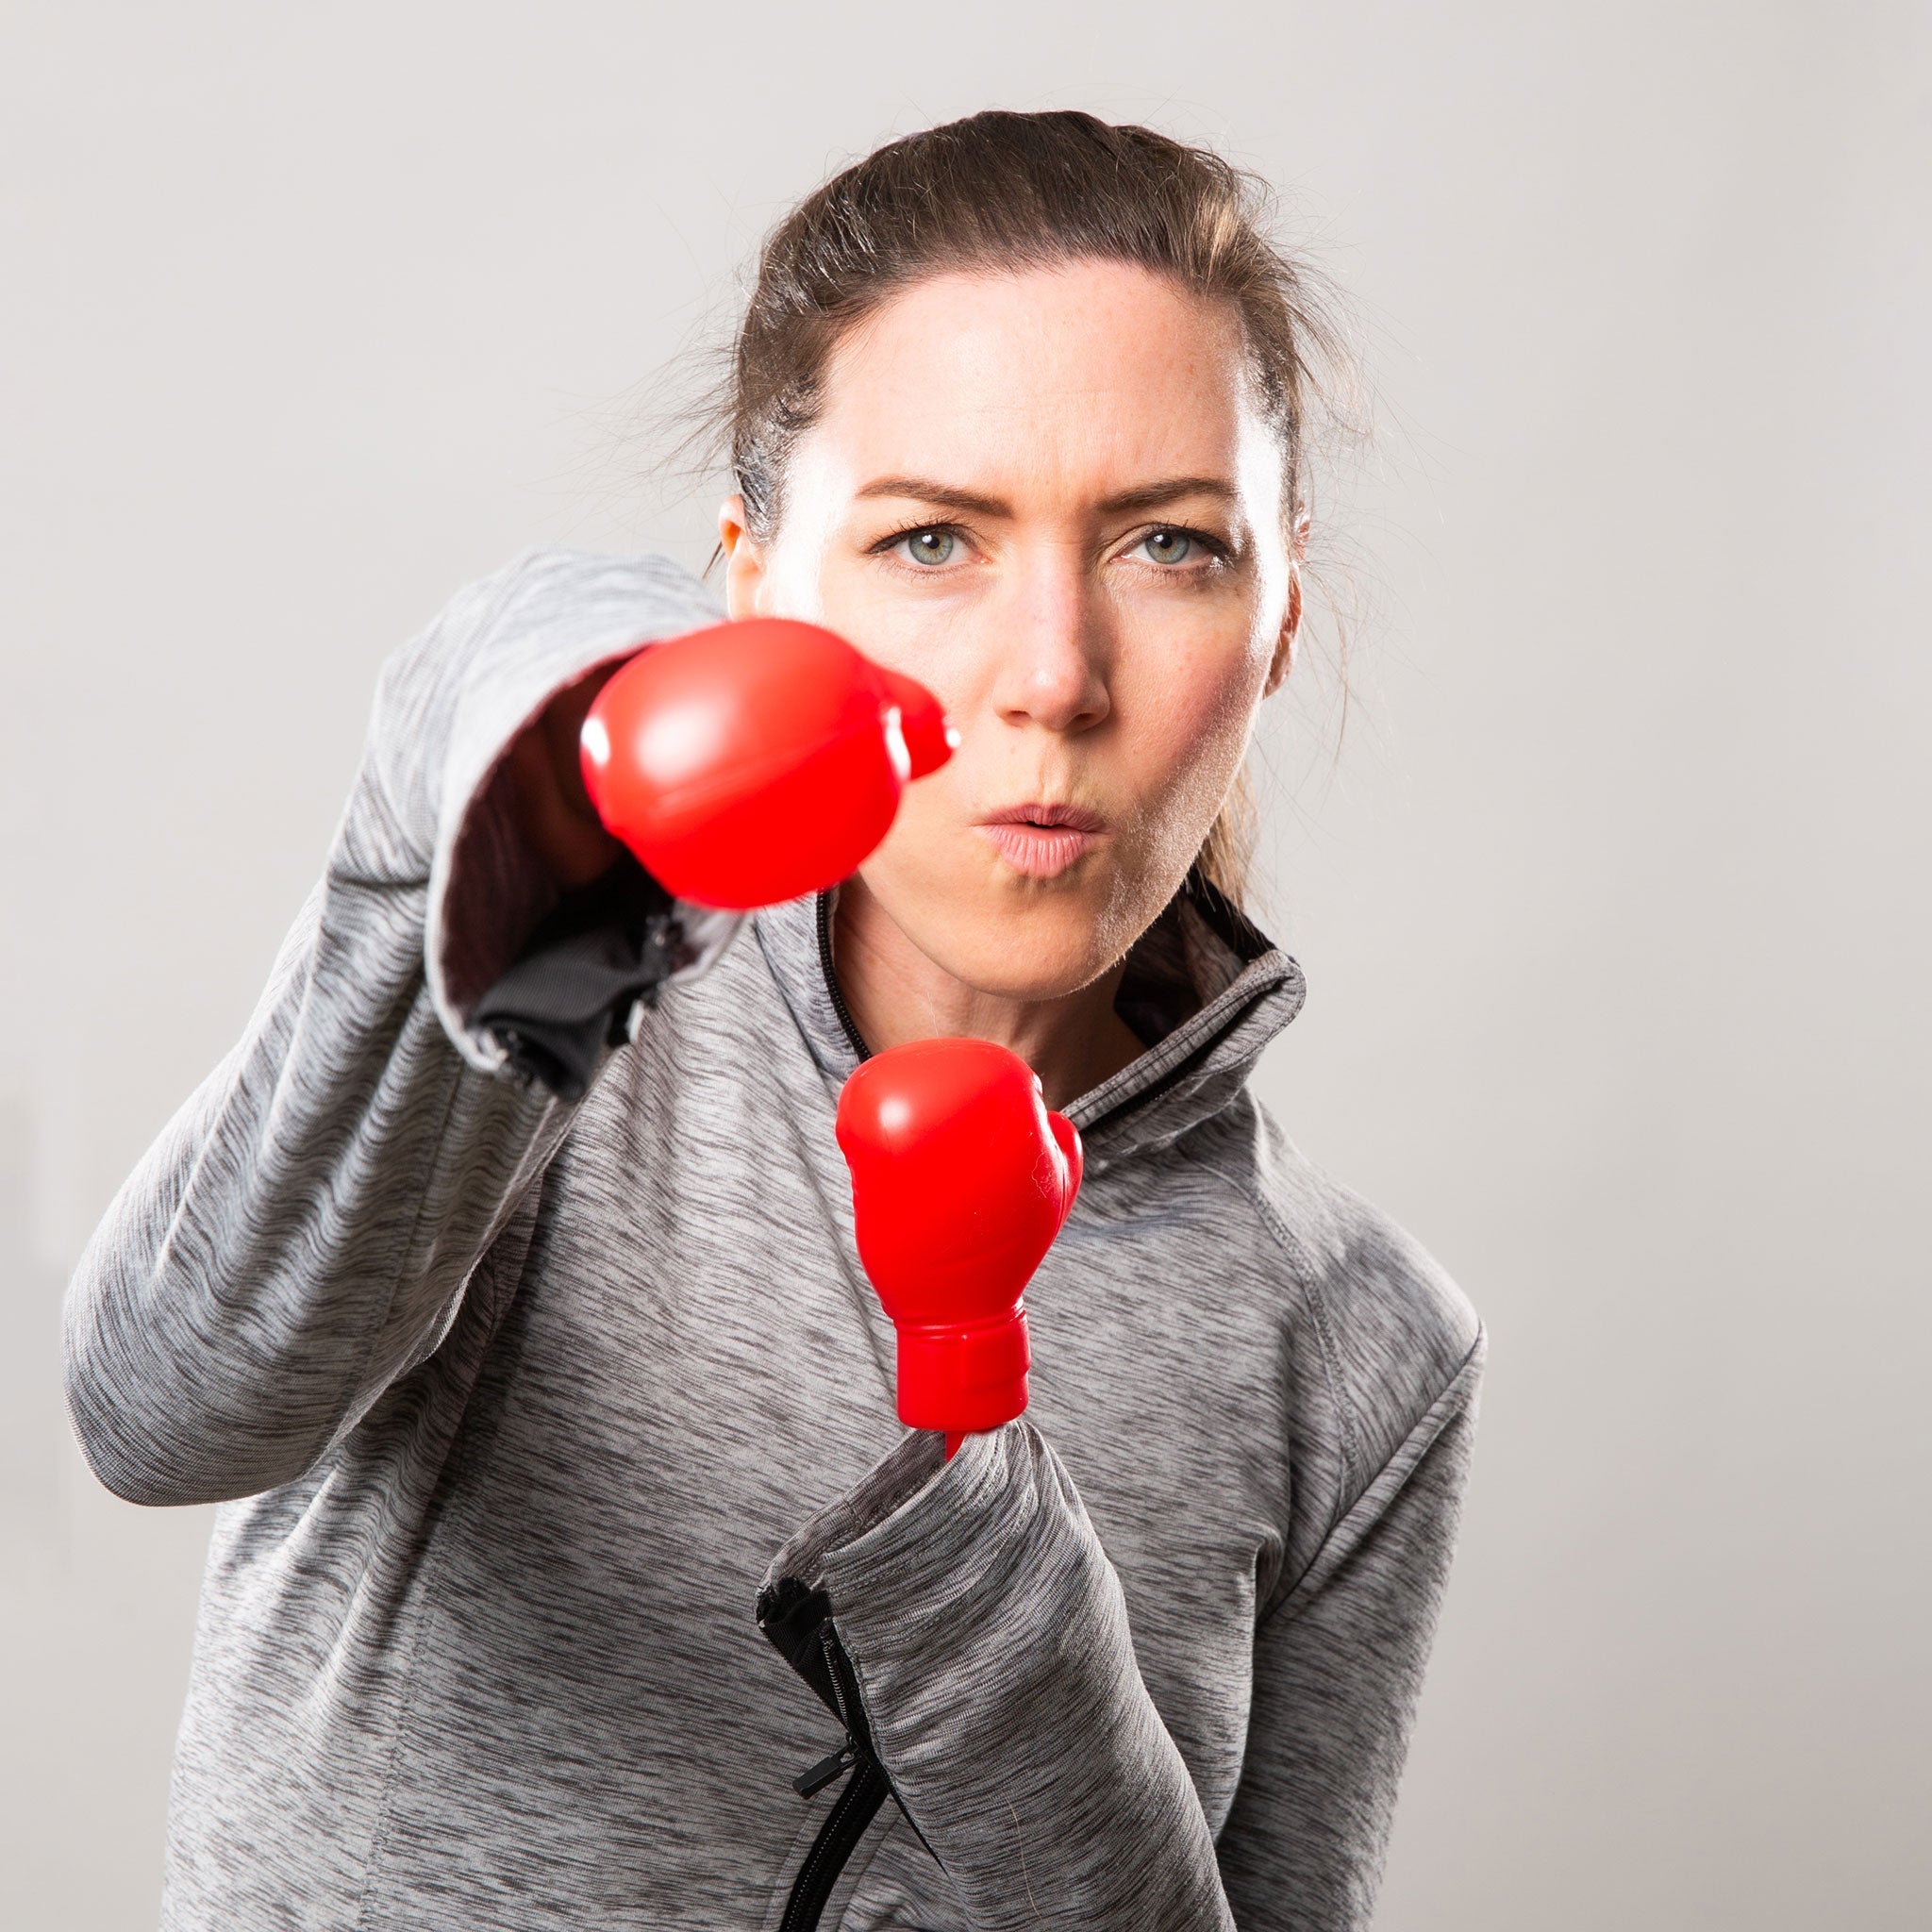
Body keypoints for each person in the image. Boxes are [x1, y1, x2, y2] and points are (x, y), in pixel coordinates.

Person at [63, 110, 1484, 1931]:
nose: (1051, 676)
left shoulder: (1363, 1346)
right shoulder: (559, 992)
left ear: (1280, 612)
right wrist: (527, 726)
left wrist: (978, 1490)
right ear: (756, 584)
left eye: (1170, 547)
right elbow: (156, 1416)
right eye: (930, 542)